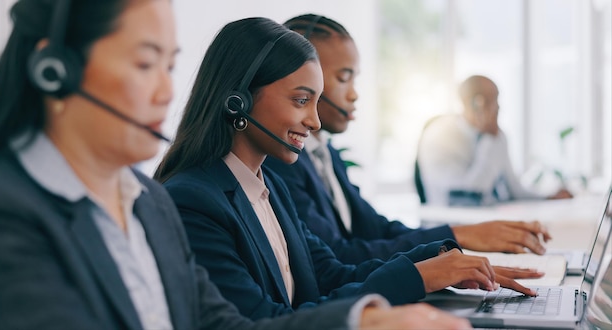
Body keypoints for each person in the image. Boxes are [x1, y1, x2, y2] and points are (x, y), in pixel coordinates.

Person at [0, 1, 472, 329]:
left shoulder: (146, 203)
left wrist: (367, 316)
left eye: (169, 66)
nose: (165, 92)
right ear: (55, 70)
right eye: (144, 64)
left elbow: (228, 325)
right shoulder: (4, 215)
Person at [154, 16, 537, 322]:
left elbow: (328, 274)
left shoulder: (267, 187)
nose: (314, 121)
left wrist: (440, 260)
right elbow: (260, 320)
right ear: (237, 100)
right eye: (301, 100)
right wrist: (418, 277)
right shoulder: (194, 200)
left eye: (316, 101)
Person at [263, 15, 554, 268]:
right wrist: (455, 239)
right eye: (343, 78)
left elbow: (376, 229)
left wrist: (452, 239)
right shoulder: (281, 161)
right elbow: (335, 257)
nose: (354, 95)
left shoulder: (325, 154)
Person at [417, 74, 573, 206]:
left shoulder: (498, 136)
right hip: (449, 226)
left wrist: (547, 197)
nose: (498, 107)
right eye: (492, 100)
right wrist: (489, 140)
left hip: (487, 220)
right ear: (475, 102)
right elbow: (473, 193)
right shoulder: (440, 135)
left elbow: (514, 189)